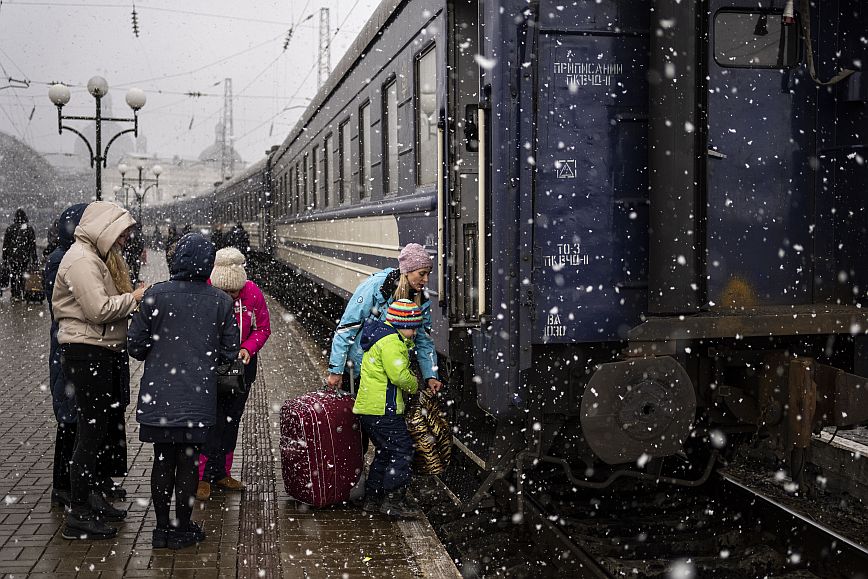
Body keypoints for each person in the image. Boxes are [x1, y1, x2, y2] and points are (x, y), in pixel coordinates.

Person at [128, 233, 239, 549]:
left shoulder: (154, 295)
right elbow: (230, 350)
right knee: (189, 462)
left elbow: (135, 345)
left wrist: (161, 350)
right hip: (197, 398)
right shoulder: (221, 301)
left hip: (159, 396)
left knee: (163, 459)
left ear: (174, 261)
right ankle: (182, 527)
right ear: (208, 264)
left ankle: (161, 530)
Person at [52, 201, 148, 540]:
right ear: (105, 230)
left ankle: (91, 497)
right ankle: (78, 512)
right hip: (86, 353)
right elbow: (97, 309)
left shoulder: (91, 257)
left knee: (97, 429)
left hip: (98, 352)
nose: (125, 239)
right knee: (90, 433)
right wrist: (134, 297)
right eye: (122, 233)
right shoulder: (81, 260)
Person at [197, 247, 271, 500]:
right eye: (225, 292)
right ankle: (201, 477)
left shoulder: (252, 292)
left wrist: (248, 347)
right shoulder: (205, 289)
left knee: (231, 419)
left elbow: (263, 328)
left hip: (241, 367)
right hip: (211, 366)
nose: (230, 296)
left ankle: (221, 472)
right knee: (210, 420)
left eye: (234, 292)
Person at [327, 243, 443, 393]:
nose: (426, 279)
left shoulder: (421, 299)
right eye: (422, 274)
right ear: (407, 271)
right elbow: (347, 328)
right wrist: (336, 370)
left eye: (428, 273)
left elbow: (423, 339)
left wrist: (431, 376)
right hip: (363, 369)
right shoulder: (376, 287)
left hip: (393, 371)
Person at [354, 299, 429, 518]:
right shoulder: (392, 343)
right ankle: (393, 501)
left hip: (370, 409)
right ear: (400, 324)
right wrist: (415, 384)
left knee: (385, 452)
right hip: (383, 409)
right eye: (412, 327)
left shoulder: (382, 338)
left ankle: (373, 499)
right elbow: (399, 375)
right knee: (402, 450)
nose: (415, 332)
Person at [44, 203, 88, 509]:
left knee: (73, 418)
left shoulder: (64, 257)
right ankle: (64, 486)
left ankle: (73, 485)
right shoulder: (64, 261)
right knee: (70, 419)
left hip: (68, 348)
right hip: (69, 348)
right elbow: (82, 305)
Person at [2, 208, 38, 302]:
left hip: (13, 257)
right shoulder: (29, 229)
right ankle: (23, 292)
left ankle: (15, 294)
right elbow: (32, 246)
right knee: (23, 274)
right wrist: (34, 259)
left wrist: (5, 258)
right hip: (24, 257)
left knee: (14, 275)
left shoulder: (10, 229)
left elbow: (5, 245)